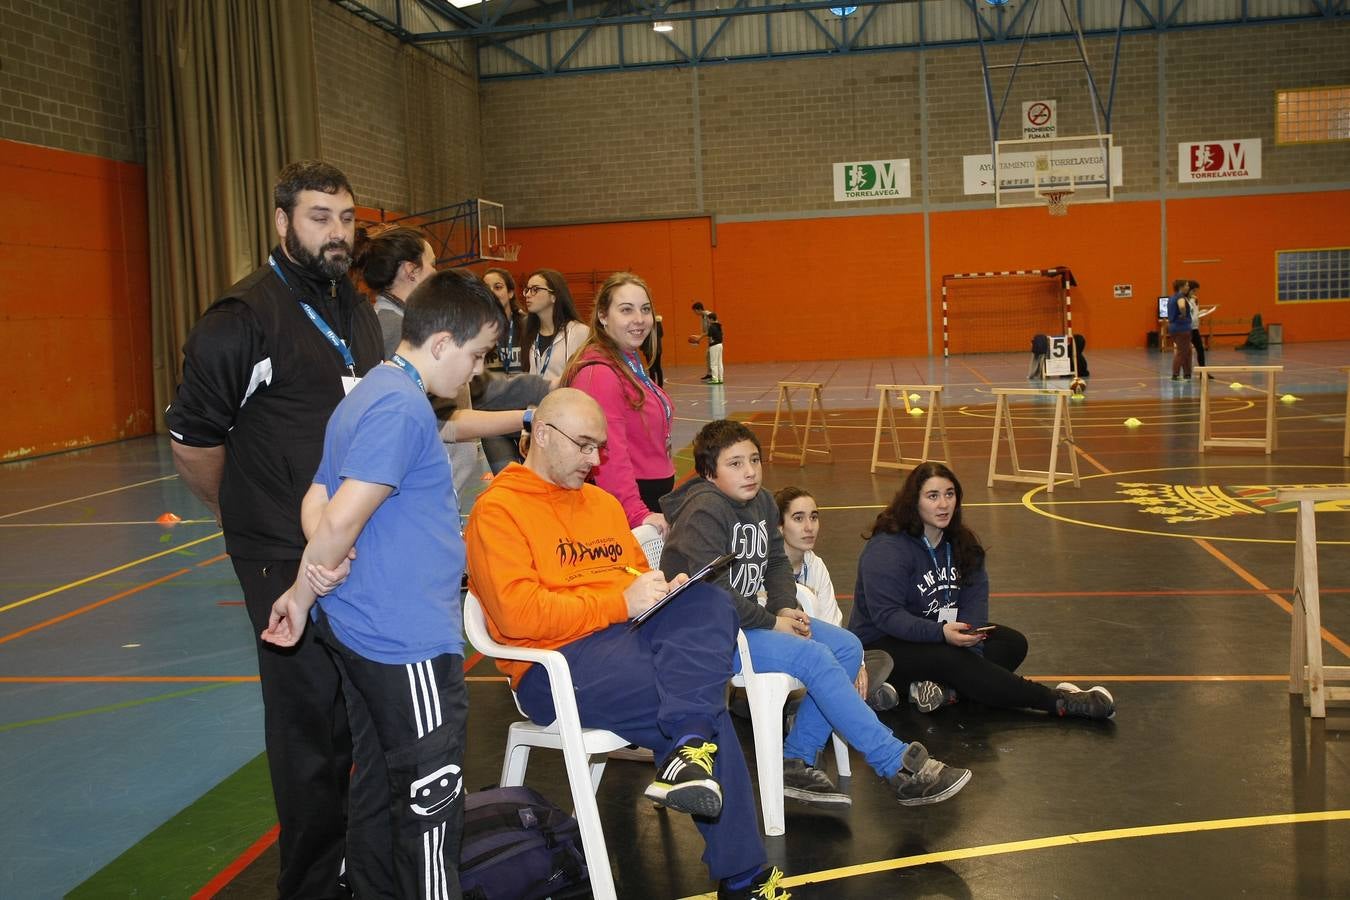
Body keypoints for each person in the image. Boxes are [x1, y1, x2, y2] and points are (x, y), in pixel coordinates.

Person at [464, 389, 788, 900]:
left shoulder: (600, 503)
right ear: (543, 436)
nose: (596, 460)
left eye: (601, 447)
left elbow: (634, 578)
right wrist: (622, 603)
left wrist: (663, 590)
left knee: (708, 604)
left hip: (627, 637)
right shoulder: (497, 511)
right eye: (585, 446)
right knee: (699, 707)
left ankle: (689, 753)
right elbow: (517, 614)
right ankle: (742, 873)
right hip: (555, 665)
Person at [165, 160, 383, 898]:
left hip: (351, 542)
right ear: (282, 221)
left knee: (356, 716)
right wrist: (247, 516)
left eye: (347, 218)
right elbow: (195, 441)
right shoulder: (241, 319)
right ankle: (314, 884)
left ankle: (358, 861)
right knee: (307, 728)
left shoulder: (351, 306)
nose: (337, 232)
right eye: (320, 216)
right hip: (278, 555)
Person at [261, 269, 502, 898]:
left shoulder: (367, 393)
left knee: (375, 790)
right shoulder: (400, 407)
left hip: (360, 631)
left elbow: (318, 498)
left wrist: (314, 574)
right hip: (406, 643)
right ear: (443, 342)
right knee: (430, 800)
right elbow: (339, 517)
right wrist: (309, 580)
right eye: (476, 355)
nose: (474, 373)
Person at [661, 419, 971, 811]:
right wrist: (773, 622)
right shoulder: (703, 511)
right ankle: (897, 765)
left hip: (744, 622)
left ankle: (796, 757)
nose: (751, 471)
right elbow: (711, 594)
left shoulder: (761, 501)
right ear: (709, 472)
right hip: (705, 636)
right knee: (815, 656)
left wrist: (785, 606)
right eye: (735, 463)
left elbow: (776, 563)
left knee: (846, 646)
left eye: (754, 459)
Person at [849, 461, 1116, 721]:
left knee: (1011, 643)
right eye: (933, 496)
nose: (943, 504)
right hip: (882, 646)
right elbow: (888, 616)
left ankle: (945, 691)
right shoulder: (888, 548)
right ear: (914, 501)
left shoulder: (962, 544)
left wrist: (969, 646)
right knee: (951, 660)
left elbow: (974, 607)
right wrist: (943, 637)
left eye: (949, 494)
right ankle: (1057, 701)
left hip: (938, 635)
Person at [350, 230, 546, 498]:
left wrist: (541, 391)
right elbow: (444, 424)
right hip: (433, 486)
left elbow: (476, 389)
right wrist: (530, 418)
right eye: (432, 263)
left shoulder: (409, 322)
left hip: (449, 479)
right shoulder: (396, 329)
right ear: (411, 270)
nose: (435, 271)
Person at [561, 272, 675, 534]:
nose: (639, 319)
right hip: (627, 506)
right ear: (603, 316)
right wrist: (635, 512)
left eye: (645, 309)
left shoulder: (628, 361)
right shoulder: (600, 373)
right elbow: (608, 452)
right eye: (626, 310)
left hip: (646, 497)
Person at [774, 486, 898, 712]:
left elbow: (832, 624)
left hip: (819, 661)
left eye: (814, 517)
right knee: (830, 676)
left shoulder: (815, 565)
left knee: (878, 659)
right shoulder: (765, 568)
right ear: (780, 526)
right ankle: (839, 705)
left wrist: (857, 663)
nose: (809, 527)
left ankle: (807, 711)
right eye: (798, 518)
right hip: (783, 664)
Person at [522, 268, 589, 381]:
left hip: (567, 397)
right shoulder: (530, 333)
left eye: (535, 289)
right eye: (527, 290)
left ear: (554, 296)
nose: (528, 295)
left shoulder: (580, 332)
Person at [482, 267, 526, 374]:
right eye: (487, 289)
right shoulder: (476, 328)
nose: (492, 293)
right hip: (490, 390)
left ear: (510, 293)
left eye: (498, 287)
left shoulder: (526, 324)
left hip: (523, 389)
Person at [1166, 278, 1194, 380]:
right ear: (1181, 287)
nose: (1188, 287)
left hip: (1174, 327)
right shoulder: (1180, 297)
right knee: (1182, 351)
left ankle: (1187, 373)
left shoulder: (1172, 297)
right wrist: (1183, 314)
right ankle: (1175, 374)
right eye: (1186, 285)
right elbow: (1182, 306)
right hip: (1182, 328)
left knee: (1188, 350)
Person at [1187, 280, 1216, 370]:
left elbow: (1194, 313)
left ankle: (1203, 371)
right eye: (1193, 291)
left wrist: (1202, 312)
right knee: (1184, 352)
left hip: (1194, 328)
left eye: (1196, 291)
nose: (1195, 293)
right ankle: (1184, 373)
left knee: (1200, 350)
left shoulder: (1195, 300)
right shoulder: (1184, 300)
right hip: (1186, 328)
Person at [691, 301, 713, 381]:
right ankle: (709, 374)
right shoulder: (702, 317)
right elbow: (705, 331)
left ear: (699, 309)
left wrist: (700, 337)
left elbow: (712, 330)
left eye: (695, 311)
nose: (695, 313)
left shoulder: (708, 315)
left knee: (712, 357)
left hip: (715, 340)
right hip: (710, 340)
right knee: (708, 356)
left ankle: (714, 375)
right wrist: (698, 337)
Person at [643, 312, 665, 387]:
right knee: (657, 367)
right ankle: (659, 385)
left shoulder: (646, 324)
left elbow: (642, 336)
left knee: (653, 368)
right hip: (655, 349)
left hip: (650, 349)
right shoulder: (656, 324)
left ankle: (654, 386)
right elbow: (661, 334)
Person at [706, 312, 725, 384]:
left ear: (711, 319)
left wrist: (710, 345)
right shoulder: (719, 326)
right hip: (720, 345)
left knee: (713, 363)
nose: (708, 321)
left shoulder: (711, 326)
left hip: (714, 346)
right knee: (720, 362)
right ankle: (720, 378)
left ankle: (715, 379)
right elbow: (721, 335)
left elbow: (710, 337)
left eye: (708, 319)